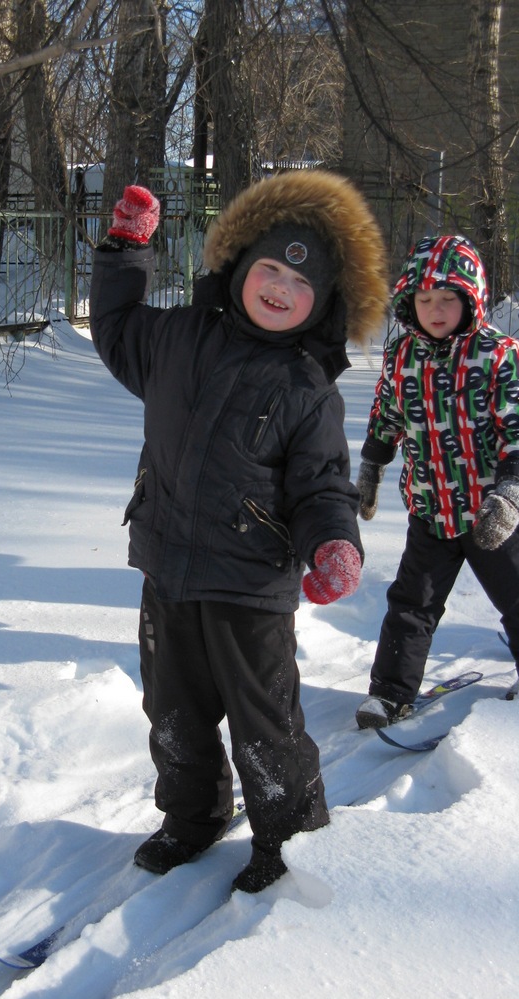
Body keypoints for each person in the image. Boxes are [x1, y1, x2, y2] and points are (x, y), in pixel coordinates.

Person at [89, 171, 389, 892]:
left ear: (323, 305)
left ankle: (289, 841)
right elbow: (116, 327)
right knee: (173, 714)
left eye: (300, 283)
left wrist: (333, 543)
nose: (281, 288)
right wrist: (125, 250)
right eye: (272, 269)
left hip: (251, 587)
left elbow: (320, 485)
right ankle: (191, 817)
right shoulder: (178, 337)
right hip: (167, 569)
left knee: (266, 727)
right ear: (241, 264)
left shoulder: (306, 387)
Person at [355, 234, 519, 730]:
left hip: (490, 511)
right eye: (425, 299)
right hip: (430, 507)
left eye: (448, 298)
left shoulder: (498, 355)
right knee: (411, 604)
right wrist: (370, 467)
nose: (436, 309)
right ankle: (389, 693)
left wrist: (510, 495)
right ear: (410, 302)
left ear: (471, 298)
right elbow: (387, 413)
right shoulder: (403, 354)